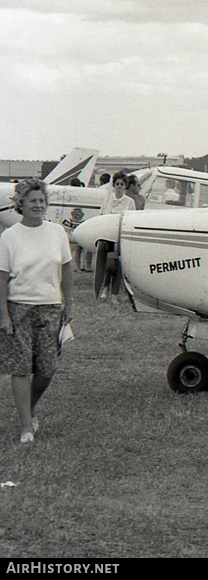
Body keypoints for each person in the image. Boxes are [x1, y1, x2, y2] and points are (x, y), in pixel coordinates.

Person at [0, 179, 73, 443]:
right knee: (20, 368)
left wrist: (69, 303)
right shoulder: (9, 237)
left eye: (42, 200)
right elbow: (1, 278)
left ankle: (28, 410)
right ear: (20, 203)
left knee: (46, 368)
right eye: (32, 201)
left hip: (50, 306)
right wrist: (3, 315)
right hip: (18, 307)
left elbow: (66, 268)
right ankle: (25, 427)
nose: (38, 205)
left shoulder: (57, 233)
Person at [97, 172, 135, 302]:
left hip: (121, 236)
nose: (119, 186)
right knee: (109, 266)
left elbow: (131, 219)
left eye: (122, 184)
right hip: (108, 234)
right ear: (113, 185)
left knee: (119, 266)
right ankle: (105, 289)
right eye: (117, 184)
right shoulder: (107, 200)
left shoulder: (130, 202)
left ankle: (114, 294)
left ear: (125, 186)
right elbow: (101, 216)